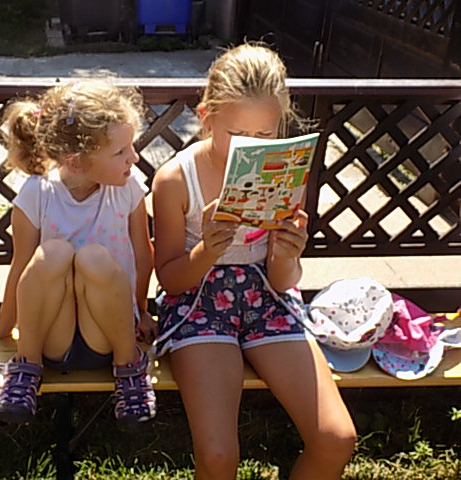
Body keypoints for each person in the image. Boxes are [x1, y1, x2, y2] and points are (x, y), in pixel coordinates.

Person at [151, 42, 357, 479]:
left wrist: (288, 253)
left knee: (336, 439)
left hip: (268, 300)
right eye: (238, 134)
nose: (252, 148)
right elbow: (170, 281)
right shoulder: (176, 179)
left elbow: (283, 282)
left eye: (265, 135)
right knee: (219, 457)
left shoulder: (285, 172)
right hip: (199, 303)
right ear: (206, 117)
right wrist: (208, 250)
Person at [0, 80, 157, 427]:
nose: (134, 157)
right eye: (120, 152)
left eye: (131, 146)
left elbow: (143, 256)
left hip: (110, 335)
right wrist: (3, 326)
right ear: (77, 162)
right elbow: (22, 268)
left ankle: (130, 369)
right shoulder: (36, 193)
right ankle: (25, 368)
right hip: (52, 339)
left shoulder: (128, 189)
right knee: (53, 253)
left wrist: (142, 312)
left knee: (94, 258)